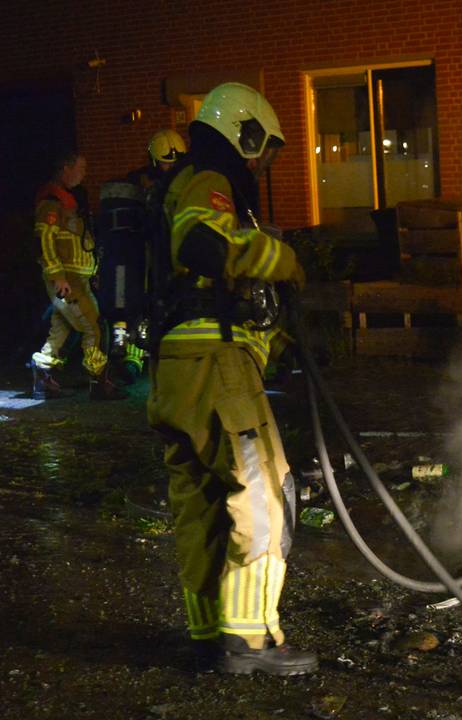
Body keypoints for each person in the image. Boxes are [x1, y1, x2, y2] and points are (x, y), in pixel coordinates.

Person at [145, 82, 314, 674]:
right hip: (216, 363)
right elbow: (201, 244)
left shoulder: (174, 183)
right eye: (261, 151)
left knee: (201, 501)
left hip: (176, 367)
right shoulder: (209, 183)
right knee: (264, 492)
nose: (260, 167)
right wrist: (280, 258)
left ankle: (207, 631)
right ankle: (250, 640)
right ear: (243, 133)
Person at [29, 150, 124, 400]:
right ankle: (99, 381)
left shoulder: (68, 202)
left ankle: (43, 375)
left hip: (75, 280)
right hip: (67, 281)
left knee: (61, 329)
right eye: (80, 168)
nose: (85, 173)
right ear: (65, 168)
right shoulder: (52, 202)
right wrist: (57, 276)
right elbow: (45, 241)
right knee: (93, 327)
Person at [96, 129, 188, 383]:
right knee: (130, 307)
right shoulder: (140, 185)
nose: (169, 168)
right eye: (165, 162)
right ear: (154, 161)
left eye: (173, 162)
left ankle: (138, 359)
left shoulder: (184, 183)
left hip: (162, 257)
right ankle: (126, 359)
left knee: (152, 306)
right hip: (139, 256)